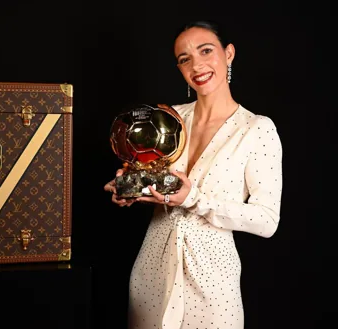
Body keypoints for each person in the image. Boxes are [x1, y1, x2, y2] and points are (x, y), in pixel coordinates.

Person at [103, 20, 283, 329]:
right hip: (152, 272)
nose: (196, 65)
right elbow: (160, 184)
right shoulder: (169, 118)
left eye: (206, 51)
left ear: (229, 54)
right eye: (185, 59)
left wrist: (195, 200)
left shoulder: (256, 129)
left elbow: (267, 220)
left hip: (213, 281)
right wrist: (134, 190)